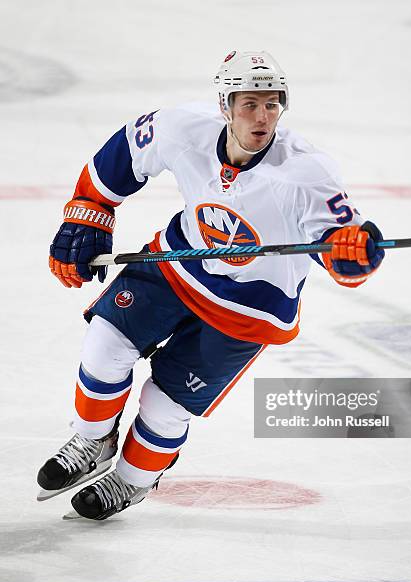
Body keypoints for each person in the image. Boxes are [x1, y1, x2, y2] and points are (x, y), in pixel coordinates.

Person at [37, 50, 385, 520]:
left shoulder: (308, 174)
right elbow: (125, 152)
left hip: (251, 306)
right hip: (179, 262)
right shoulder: (184, 128)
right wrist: (91, 207)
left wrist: (353, 254)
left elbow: (340, 249)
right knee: (104, 344)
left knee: (164, 406)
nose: (263, 117)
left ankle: (132, 481)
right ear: (225, 105)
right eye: (249, 104)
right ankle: (93, 439)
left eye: (273, 104)